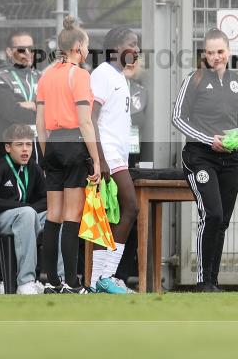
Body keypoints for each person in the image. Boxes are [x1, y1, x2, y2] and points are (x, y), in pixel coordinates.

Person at [172, 28, 238, 292]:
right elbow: (178, 118)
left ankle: (212, 282)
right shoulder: (193, 80)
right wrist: (208, 140)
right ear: (203, 54)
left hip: (231, 160)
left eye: (220, 51)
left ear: (229, 52)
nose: (215, 57)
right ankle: (203, 281)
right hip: (199, 157)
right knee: (212, 215)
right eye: (210, 52)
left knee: (223, 220)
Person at [35, 15, 101, 294]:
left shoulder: (47, 75)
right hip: (74, 143)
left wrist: (46, 152)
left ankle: (50, 280)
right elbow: (85, 121)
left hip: (52, 145)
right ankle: (73, 282)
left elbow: (39, 122)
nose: (87, 50)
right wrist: (96, 159)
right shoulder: (80, 75)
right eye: (86, 45)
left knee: (54, 215)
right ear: (76, 46)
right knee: (73, 216)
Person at [88, 26, 140, 294]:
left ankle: (99, 280)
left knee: (111, 215)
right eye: (132, 44)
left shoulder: (121, 77)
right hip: (107, 154)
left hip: (117, 154)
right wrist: (100, 159)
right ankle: (106, 276)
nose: (137, 49)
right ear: (116, 47)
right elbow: (91, 118)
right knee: (130, 207)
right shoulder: (103, 74)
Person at [0, 124, 48, 295]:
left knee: (57, 216)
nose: (25, 150)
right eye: (19, 145)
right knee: (27, 214)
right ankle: (25, 282)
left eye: (29, 145)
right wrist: (22, 208)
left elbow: (47, 199)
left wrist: (28, 209)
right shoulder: (1, 167)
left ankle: (58, 280)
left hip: (24, 218)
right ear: (8, 147)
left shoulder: (33, 168)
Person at [0, 29, 40, 145]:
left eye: (31, 49)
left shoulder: (41, 76)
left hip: (39, 147)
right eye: (22, 49)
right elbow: (11, 112)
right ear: (9, 51)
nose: (28, 53)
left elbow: (54, 112)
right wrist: (39, 108)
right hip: (11, 149)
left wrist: (28, 105)